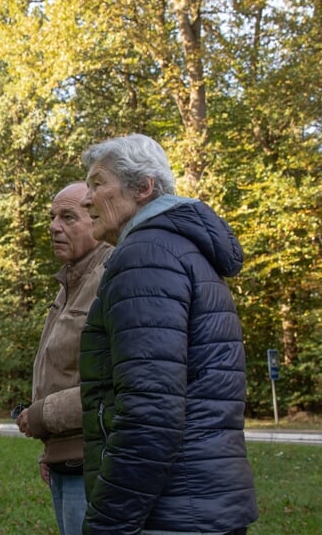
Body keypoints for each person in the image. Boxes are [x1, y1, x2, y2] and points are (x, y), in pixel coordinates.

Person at [78, 134, 257, 534]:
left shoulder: (146, 255)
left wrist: (107, 525)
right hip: (204, 505)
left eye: (97, 183)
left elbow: (149, 412)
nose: (86, 200)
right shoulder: (180, 249)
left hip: (168, 513)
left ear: (143, 187)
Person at [16, 182, 112, 535]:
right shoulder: (70, 281)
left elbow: (115, 385)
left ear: (98, 220)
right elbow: (66, 370)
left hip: (95, 463)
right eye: (53, 217)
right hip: (66, 458)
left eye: (68, 217)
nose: (54, 227)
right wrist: (51, 449)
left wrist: (41, 415)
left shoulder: (111, 278)